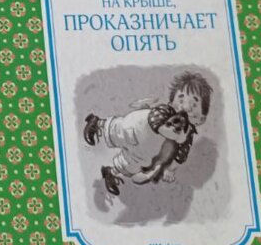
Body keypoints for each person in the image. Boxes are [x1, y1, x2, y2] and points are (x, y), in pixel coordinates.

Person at [83, 69, 213, 196]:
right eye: (181, 99)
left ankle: (110, 172)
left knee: (132, 163)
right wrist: (177, 136)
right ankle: (97, 123)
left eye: (194, 104)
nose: (186, 107)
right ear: (171, 102)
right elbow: (156, 121)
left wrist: (170, 169)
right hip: (138, 129)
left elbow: (180, 156)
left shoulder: (187, 134)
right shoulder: (165, 110)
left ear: (200, 119)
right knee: (119, 129)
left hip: (146, 150)